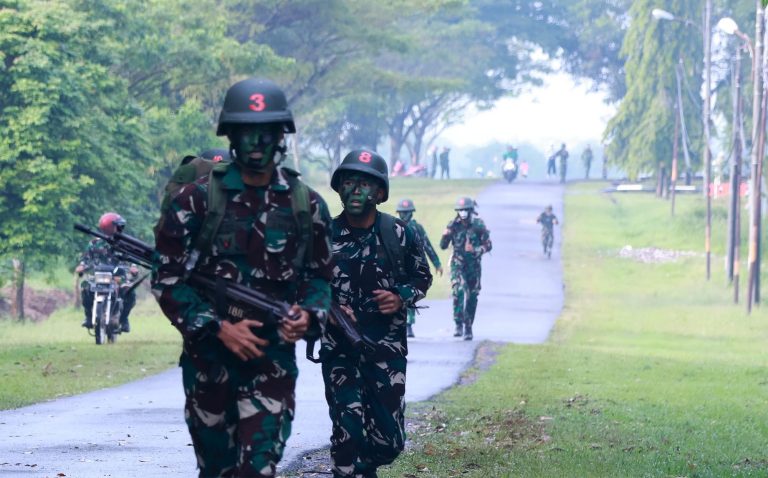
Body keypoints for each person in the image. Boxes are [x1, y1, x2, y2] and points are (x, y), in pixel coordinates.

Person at [151, 78, 334, 478]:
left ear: (279, 137)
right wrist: (218, 328)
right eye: (247, 131)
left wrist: (308, 316)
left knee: (258, 470)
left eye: (266, 132)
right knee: (217, 470)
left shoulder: (306, 204)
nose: (256, 141)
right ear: (231, 136)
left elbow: (320, 278)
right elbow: (167, 278)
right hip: (208, 365)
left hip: (271, 364)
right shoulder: (196, 200)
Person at [321, 149, 432, 478]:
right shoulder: (322, 236)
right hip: (339, 348)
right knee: (347, 430)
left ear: (380, 193)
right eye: (349, 182)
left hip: (386, 350)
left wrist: (400, 297)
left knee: (390, 442)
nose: (356, 190)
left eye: (365, 184)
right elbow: (302, 283)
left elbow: (421, 277)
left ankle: (364, 469)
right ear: (339, 188)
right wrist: (325, 307)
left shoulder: (398, 233)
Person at [75, 212, 139, 333]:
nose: (120, 229)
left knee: (130, 292)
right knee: (85, 288)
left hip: (118, 277)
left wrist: (133, 268)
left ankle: (124, 319)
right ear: (109, 227)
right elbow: (85, 259)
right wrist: (81, 266)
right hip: (98, 277)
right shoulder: (94, 243)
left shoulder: (124, 243)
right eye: (117, 226)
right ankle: (89, 316)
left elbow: (132, 259)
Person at [440, 197, 492, 341]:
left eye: (465, 210)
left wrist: (476, 250)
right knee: (459, 290)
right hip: (458, 263)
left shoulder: (478, 225)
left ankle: (468, 326)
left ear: (470, 211)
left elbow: (488, 245)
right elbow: (443, 246)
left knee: (473, 296)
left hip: (474, 266)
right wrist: (445, 235)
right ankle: (458, 323)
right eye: (460, 210)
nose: (462, 213)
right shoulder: (453, 225)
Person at [395, 198, 443, 337]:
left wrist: (437, 263)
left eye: (406, 212)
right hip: (398, 267)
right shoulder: (393, 227)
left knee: (409, 294)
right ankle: (401, 324)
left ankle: (409, 324)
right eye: (402, 213)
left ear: (411, 213)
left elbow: (427, 246)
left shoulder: (417, 228)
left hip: (413, 266)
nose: (404, 215)